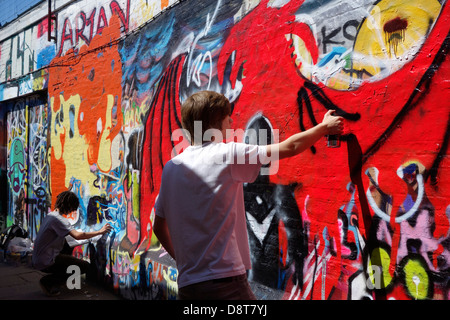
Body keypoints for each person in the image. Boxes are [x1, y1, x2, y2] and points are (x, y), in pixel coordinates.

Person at [153, 90, 344, 300]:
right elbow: (290, 147)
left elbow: (158, 227)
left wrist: (183, 262)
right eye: (227, 117)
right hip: (225, 283)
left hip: (189, 286)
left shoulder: (172, 167)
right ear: (217, 121)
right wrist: (324, 127)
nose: (231, 121)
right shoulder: (227, 154)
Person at [32, 191, 112, 296]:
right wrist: (99, 232)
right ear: (68, 205)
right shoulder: (59, 220)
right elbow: (78, 235)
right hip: (45, 261)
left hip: (38, 258)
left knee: (68, 244)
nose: (72, 211)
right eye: (72, 208)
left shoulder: (51, 215)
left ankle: (59, 276)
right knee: (85, 266)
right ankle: (49, 281)